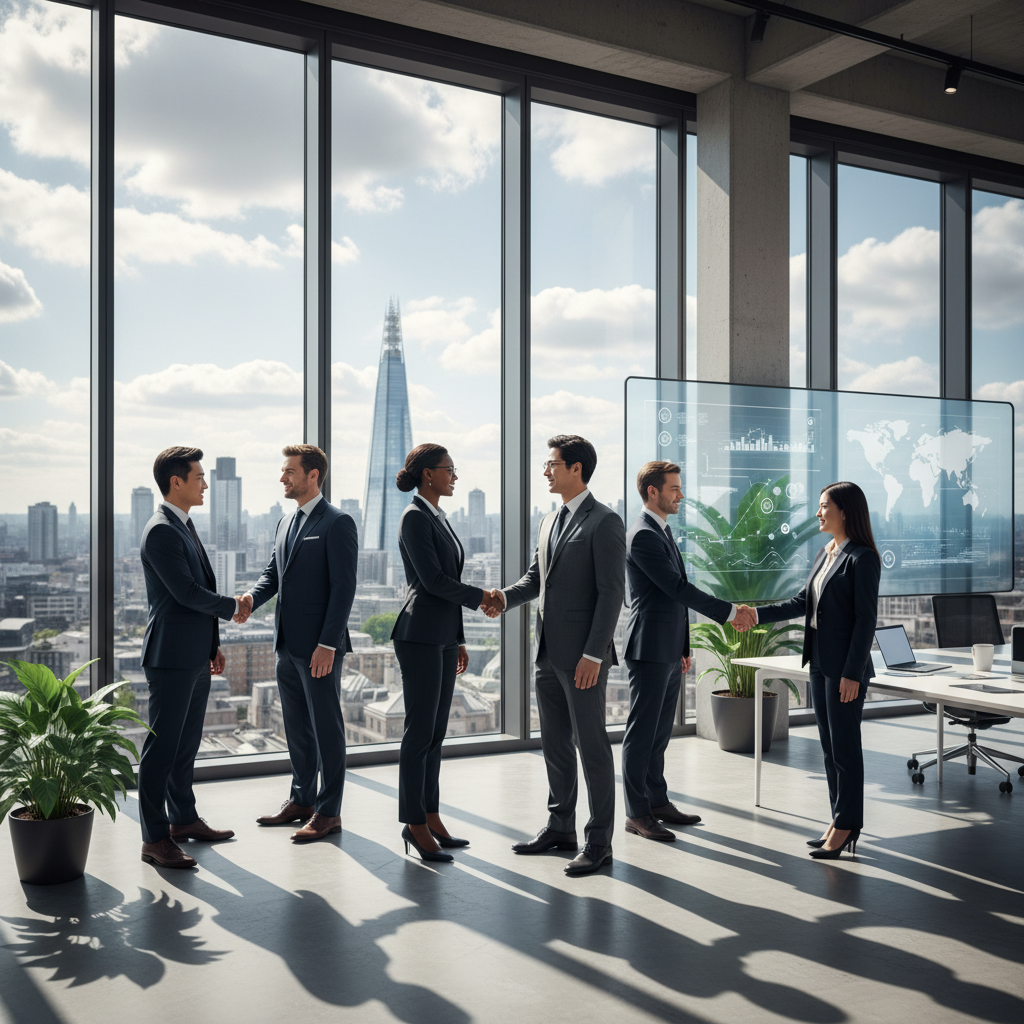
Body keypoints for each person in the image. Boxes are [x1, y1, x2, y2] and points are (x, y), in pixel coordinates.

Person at [487, 435, 625, 876]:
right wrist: (502, 598)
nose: (545, 471)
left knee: (592, 748)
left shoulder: (604, 522)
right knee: (555, 746)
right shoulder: (549, 521)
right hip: (547, 653)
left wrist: (594, 654)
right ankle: (560, 826)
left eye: (552, 464)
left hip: (582, 658)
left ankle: (599, 842)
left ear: (577, 468)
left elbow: (611, 595)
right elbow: (536, 579)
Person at [738, 481, 881, 860]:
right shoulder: (826, 553)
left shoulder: (862, 558)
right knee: (829, 748)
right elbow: (803, 602)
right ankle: (838, 819)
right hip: (819, 663)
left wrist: (853, 673)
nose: (818, 513)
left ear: (845, 511)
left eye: (824, 506)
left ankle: (849, 823)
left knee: (846, 750)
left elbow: (866, 621)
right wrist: (757, 615)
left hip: (845, 669)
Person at [621, 461, 756, 841]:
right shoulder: (643, 535)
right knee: (641, 732)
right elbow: (677, 590)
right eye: (674, 488)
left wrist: (683, 645)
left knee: (659, 733)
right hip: (648, 648)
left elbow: (673, 598)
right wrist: (730, 613)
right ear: (653, 491)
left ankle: (657, 801)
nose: (680, 495)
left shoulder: (661, 531)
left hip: (666, 647)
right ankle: (636, 812)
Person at [390, 444, 502, 862]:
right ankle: (413, 823)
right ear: (426, 475)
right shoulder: (413, 517)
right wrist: (483, 596)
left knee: (435, 735)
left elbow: (447, 583)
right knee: (419, 734)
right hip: (418, 635)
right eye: (448, 470)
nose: (454, 476)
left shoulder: (438, 517)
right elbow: (434, 582)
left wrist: (458, 639)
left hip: (440, 635)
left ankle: (430, 815)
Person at [242, 445, 358, 843]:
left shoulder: (338, 522)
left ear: (313, 476)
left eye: (290, 471)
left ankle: (329, 812)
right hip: (287, 647)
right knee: (297, 729)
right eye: (282, 470)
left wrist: (328, 643)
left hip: (319, 649)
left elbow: (344, 588)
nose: (282, 478)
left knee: (327, 729)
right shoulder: (285, 522)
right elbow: (273, 575)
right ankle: (302, 799)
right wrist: (249, 601)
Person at [137, 447, 241, 869]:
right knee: (161, 750)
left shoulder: (183, 524)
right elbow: (186, 594)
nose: (205, 483)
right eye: (198, 476)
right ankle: (154, 839)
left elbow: (195, 592)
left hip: (194, 654)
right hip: (171, 656)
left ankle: (182, 821)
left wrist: (212, 644)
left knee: (185, 746)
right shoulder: (161, 530)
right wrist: (233, 607)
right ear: (175, 482)